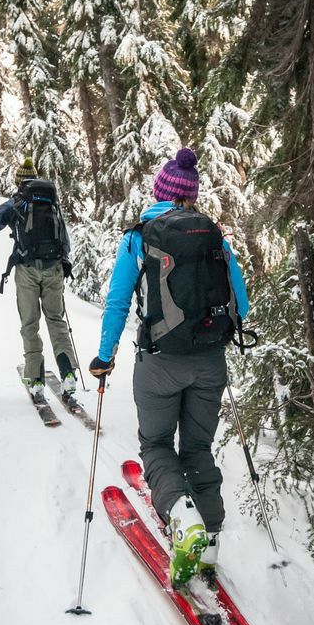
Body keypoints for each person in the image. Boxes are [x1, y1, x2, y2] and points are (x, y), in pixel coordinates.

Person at [89, 147, 250, 587]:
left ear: (160, 192)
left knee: (157, 444)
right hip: (210, 364)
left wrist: (105, 358)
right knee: (197, 448)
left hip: (159, 364)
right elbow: (244, 303)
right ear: (191, 195)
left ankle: (183, 518)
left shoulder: (140, 236)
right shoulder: (214, 236)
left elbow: (118, 301)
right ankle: (210, 538)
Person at [0, 157, 78, 403]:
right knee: (55, 320)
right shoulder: (52, 204)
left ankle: (36, 380)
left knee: (30, 323)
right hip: (54, 270)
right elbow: (64, 240)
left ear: (18, 181)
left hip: (27, 270)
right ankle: (68, 372)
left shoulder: (15, 204)